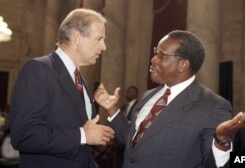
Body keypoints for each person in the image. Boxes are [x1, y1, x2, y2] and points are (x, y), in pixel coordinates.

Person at [94, 30, 232, 168]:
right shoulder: (148, 95)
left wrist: (222, 142)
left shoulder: (213, 106)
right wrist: (112, 109)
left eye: (161, 55)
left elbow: (215, 164)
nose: (153, 59)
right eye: (156, 53)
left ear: (183, 64)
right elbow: (136, 140)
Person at [9, 8, 114, 168]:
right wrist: (82, 135)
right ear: (78, 37)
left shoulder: (81, 80)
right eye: (99, 39)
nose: (104, 47)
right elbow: (23, 135)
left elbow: (81, 147)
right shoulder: (38, 69)